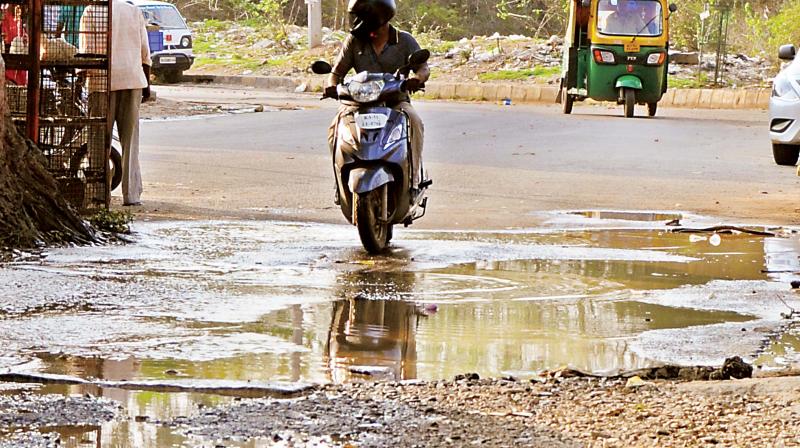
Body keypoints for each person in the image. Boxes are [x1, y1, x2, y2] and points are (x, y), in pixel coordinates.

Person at [326, 0, 430, 191]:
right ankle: (340, 183)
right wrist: (332, 87)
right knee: (335, 128)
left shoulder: (404, 40)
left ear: (378, 18)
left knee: (415, 123)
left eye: (361, 17)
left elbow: (422, 68)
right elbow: (336, 73)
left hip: (395, 103)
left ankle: (412, 180)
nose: (357, 22)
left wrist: (417, 79)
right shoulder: (355, 40)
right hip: (358, 104)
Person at [80, 0, 151, 206]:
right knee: (130, 141)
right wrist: (145, 85)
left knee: (98, 140)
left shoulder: (91, 11)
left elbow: (86, 50)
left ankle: (98, 194)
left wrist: (80, 79)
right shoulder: (133, 11)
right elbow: (144, 53)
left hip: (101, 81)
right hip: (131, 79)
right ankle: (132, 195)